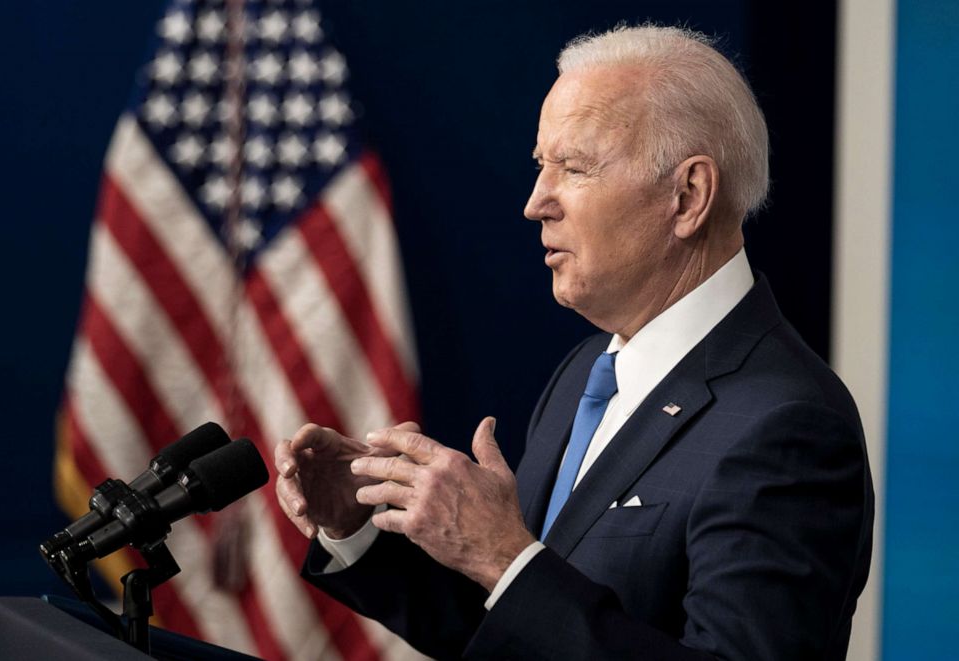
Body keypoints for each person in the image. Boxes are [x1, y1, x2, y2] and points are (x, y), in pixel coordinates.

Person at [275, 24, 874, 660]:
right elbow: (513, 633)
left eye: (575, 168)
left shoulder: (788, 425)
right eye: (542, 166)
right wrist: (360, 528)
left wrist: (503, 554)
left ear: (689, 195)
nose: (536, 203)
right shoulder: (587, 372)